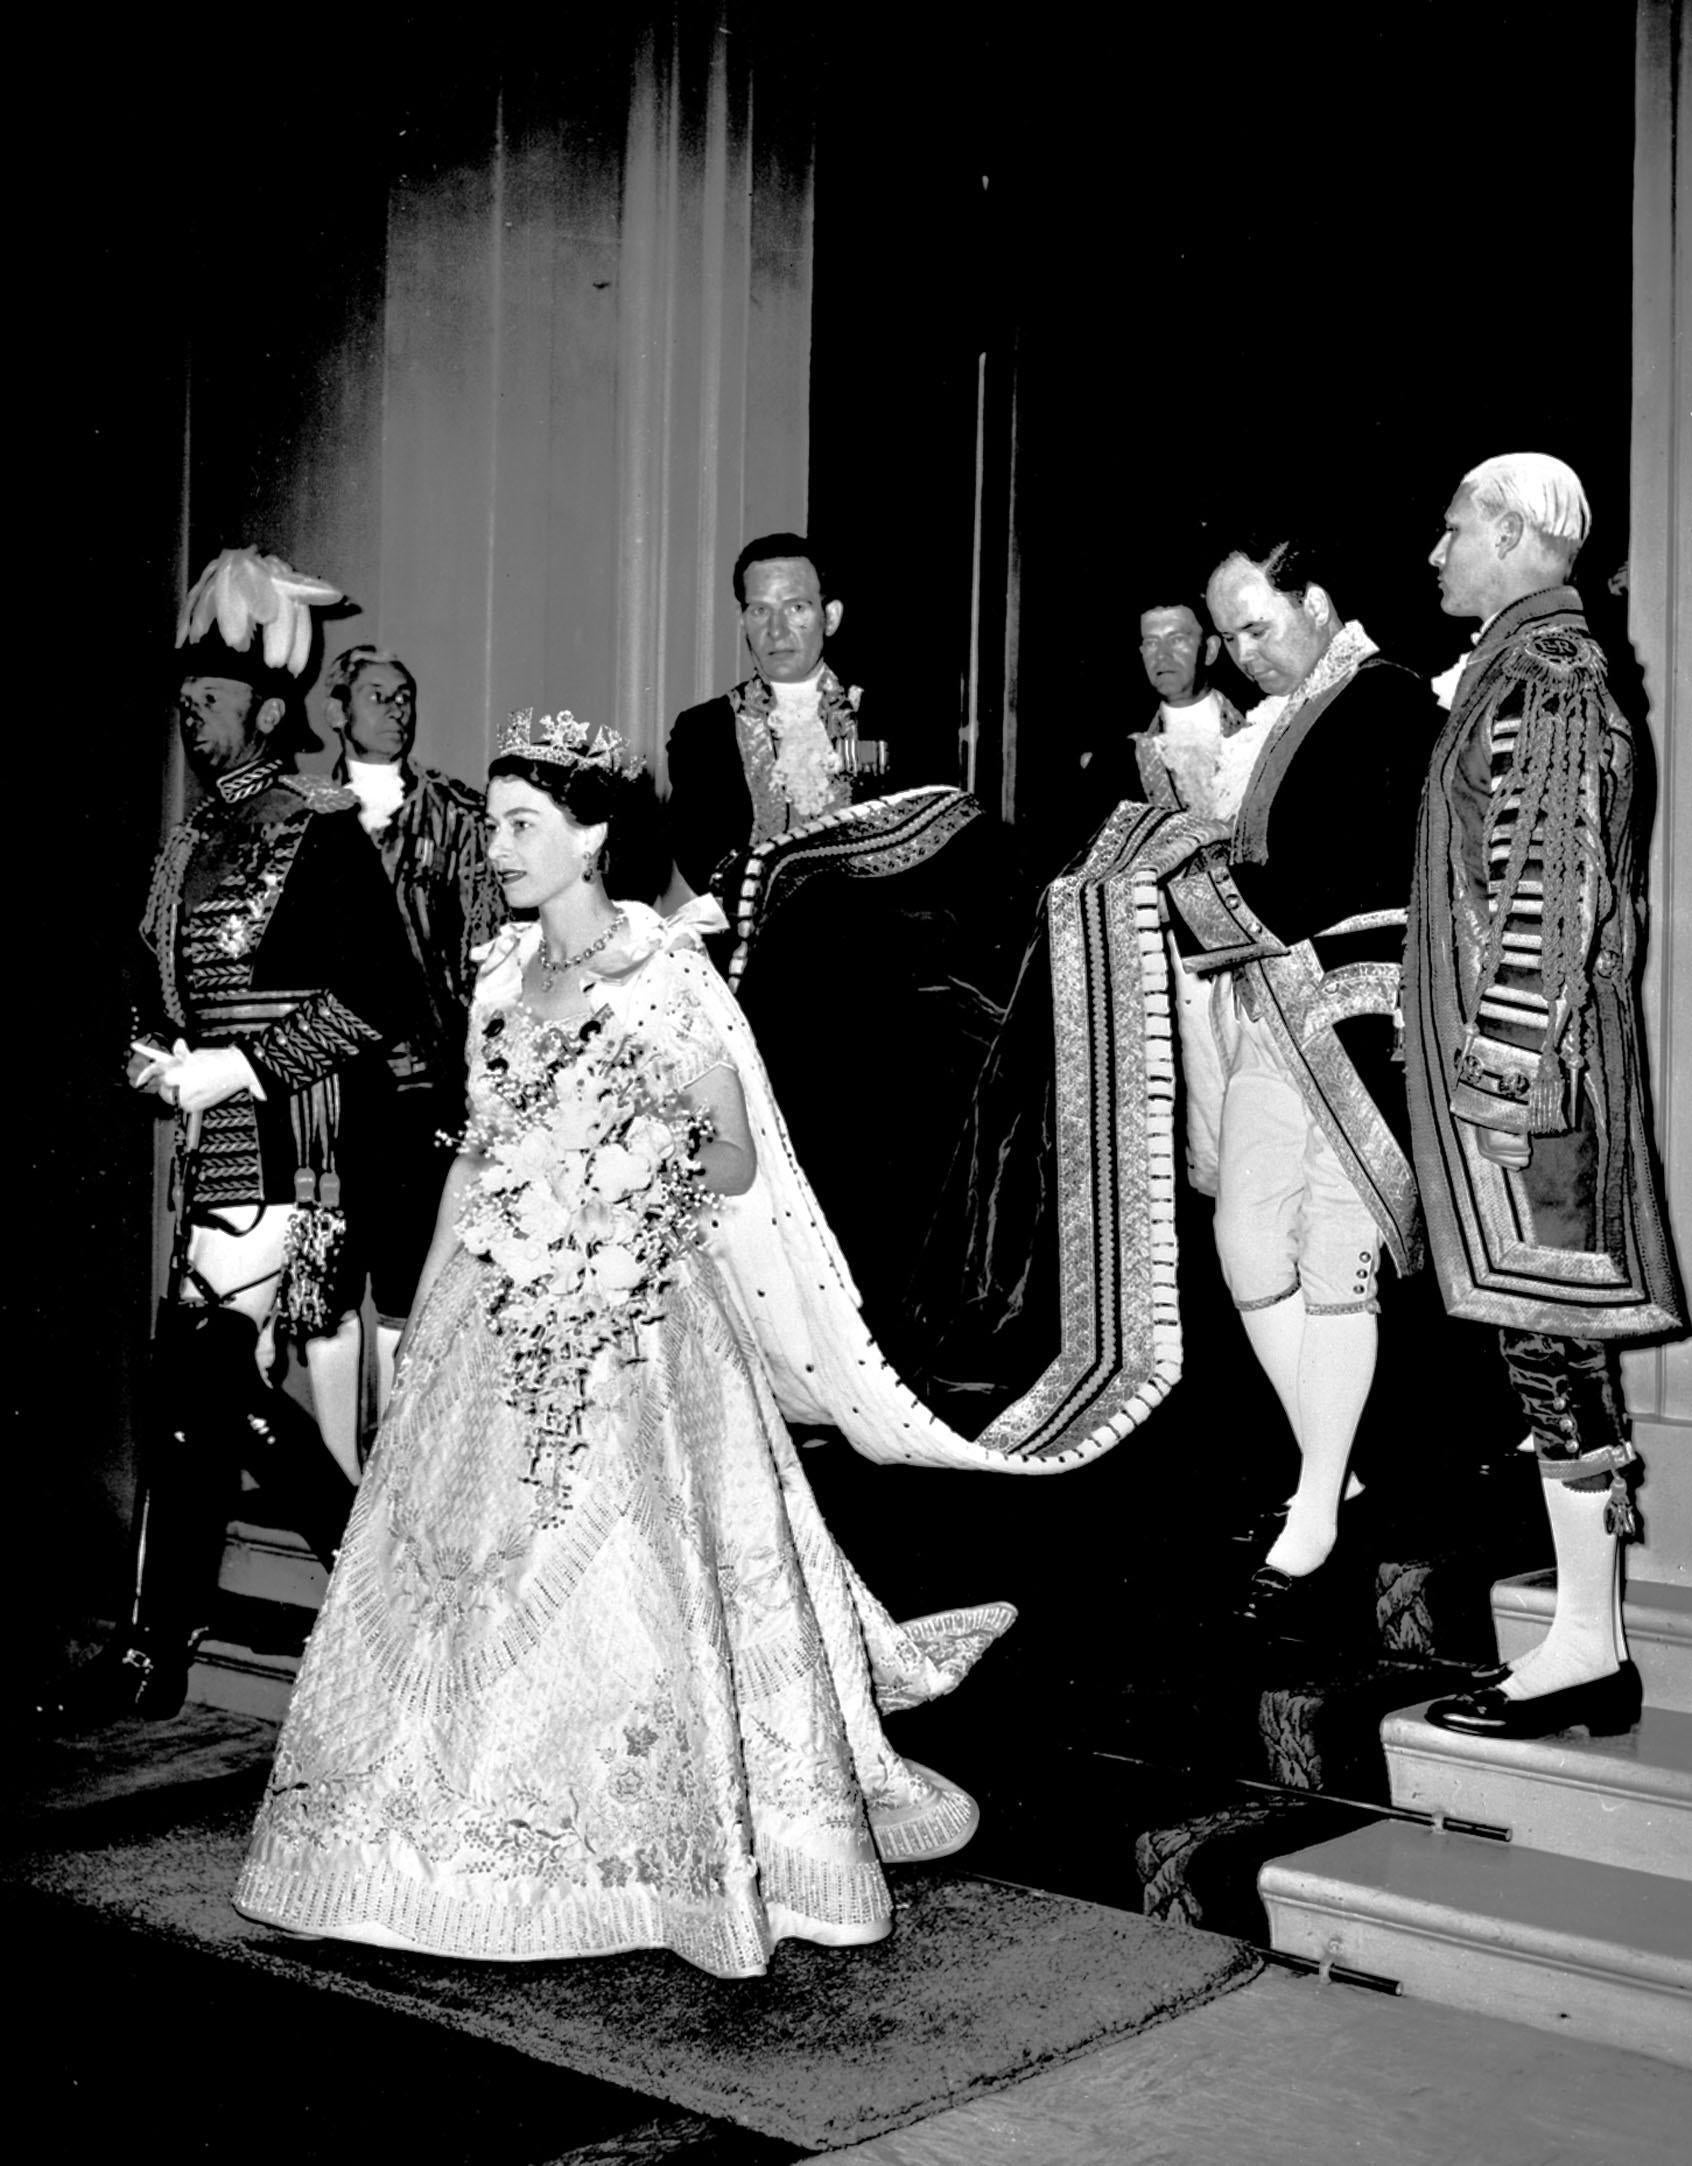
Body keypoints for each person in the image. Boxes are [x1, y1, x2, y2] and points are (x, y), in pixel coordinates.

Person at [233, 704, 1116, 1977]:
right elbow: (477, 1156)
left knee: (620, 1580)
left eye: (522, 825)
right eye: (491, 824)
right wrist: (426, 1311)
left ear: (591, 839)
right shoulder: (494, 977)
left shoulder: (668, 976)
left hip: (637, 1314)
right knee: (455, 1580)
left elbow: (736, 1151)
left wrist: (626, 1182)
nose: (497, 848)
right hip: (501, 1309)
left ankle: (640, 1854)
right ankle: (413, 1852)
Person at [79, 550, 425, 1721]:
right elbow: (145, 993)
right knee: (208, 1393)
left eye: (213, 698)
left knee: (205, 1385)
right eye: (188, 697)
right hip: (214, 1150)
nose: (193, 711)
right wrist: (154, 1062)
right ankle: (364, 1606)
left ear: (269, 709)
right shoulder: (185, 848)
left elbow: (383, 999)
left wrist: (243, 1063)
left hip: (301, 1150)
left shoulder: (319, 833)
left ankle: (156, 1652)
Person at [1407, 454, 1684, 1741]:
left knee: (1553, 1346)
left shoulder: (1550, 676)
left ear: (1514, 536)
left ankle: (1586, 1653)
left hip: (1536, 1081)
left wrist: (1504, 1060)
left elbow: (1554, 887)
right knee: (1542, 1351)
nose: (1437, 552)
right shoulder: (1527, 667)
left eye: (1455, 529)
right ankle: (1588, 1646)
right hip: (1527, 1075)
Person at [1137, 542, 1439, 1618]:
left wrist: (1174, 887)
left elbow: (1337, 865)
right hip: (1271, 1000)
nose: (1243, 653)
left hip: (1361, 1007)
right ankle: (1339, 1473)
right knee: (1246, 1244)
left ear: (1318, 601)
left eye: (1260, 625)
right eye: (1231, 635)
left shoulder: (1389, 698)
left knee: (1332, 1252)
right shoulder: (1291, 712)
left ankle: (1313, 1512)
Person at [321, 644, 503, 1439]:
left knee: (406, 1282)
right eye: (376, 696)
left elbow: (488, 954)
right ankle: (337, 1471)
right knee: (324, 1284)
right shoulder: (300, 817)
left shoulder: (456, 817)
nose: (395, 710)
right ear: (338, 710)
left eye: (405, 697)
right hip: (320, 1089)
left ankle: (397, 1460)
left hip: (421, 1085)